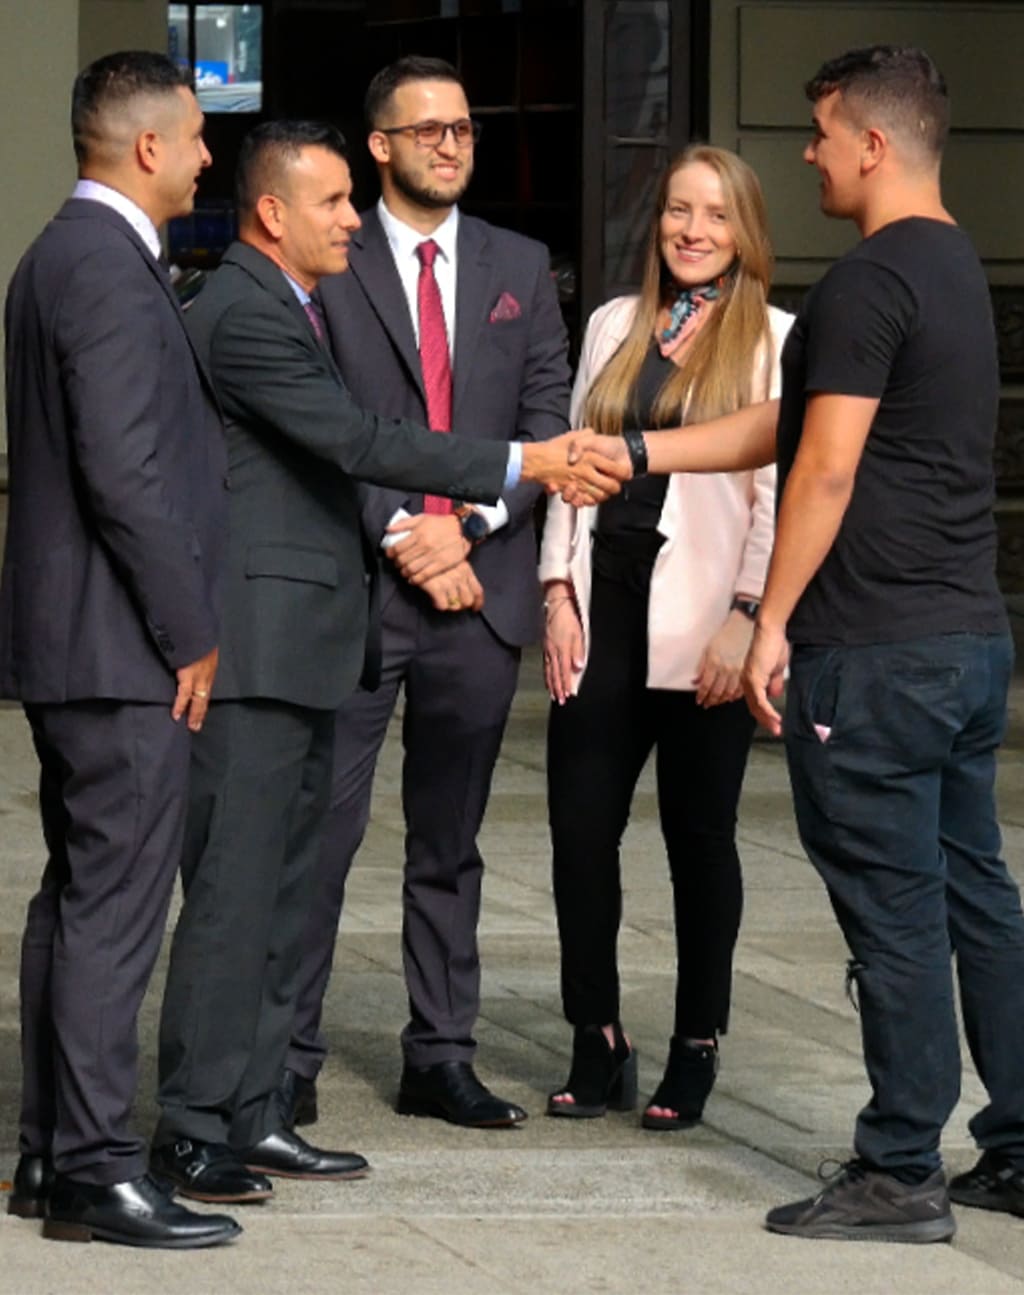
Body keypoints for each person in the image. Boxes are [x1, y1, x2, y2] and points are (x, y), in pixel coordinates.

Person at [573, 45, 1024, 1244]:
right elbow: (791, 416)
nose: (810, 153)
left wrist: (768, 619)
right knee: (974, 893)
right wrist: (640, 449)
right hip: (964, 639)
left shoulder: (869, 278)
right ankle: (1018, 1144)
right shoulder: (949, 265)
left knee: (894, 909)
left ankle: (898, 1170)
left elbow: (821, 466)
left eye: (821, 134)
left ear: (872, 144)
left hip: (875, 653)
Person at [151, 118, 612, 1204]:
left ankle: (255, 1112)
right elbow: (358, 439)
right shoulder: (241, 310)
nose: (353, 221)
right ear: (274, 214)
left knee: (284, 889)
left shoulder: (289, 302)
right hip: (259, 651)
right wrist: (527, 460)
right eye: (333, 203)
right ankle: (191, 1126)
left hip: (308, 646)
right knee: (234, 896)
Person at [280, 56, 572, 1133]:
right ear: (380, 145)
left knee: (450, 842)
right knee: (319, 833)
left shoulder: (518, 264)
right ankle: (283, 1057)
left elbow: (545, 423)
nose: (451, 144)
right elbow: (314, 419)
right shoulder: (331, 257)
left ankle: (441, 1055)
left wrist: (469, 527)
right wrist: (407, 530)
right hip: (360, 588)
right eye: (428, 129)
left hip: (477, 594)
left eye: (463, 128)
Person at [1, 51, 239, 1248]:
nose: (206, 155)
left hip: (80, 641)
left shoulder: (63, 253)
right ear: (148, 146)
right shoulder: (102, 264)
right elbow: (124, 470)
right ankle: (95, 1166)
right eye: (195, 135)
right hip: (119, 644)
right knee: (113, 905)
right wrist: (188, 629)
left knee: (77, 896)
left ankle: (52, 1154)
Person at [539, 146, 791, 1130]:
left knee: (699, 838)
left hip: (706, 620)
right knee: (577, 832)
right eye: (679, 211)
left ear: (746, 232)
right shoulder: (614, 323)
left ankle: (696, 1042)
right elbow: (571, 465)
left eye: (716, 215)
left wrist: (748, 614)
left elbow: (775, 494)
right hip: (604, 603)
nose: (693, 230)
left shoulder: (773, 339)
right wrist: (557, 587)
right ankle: (595, 1031)